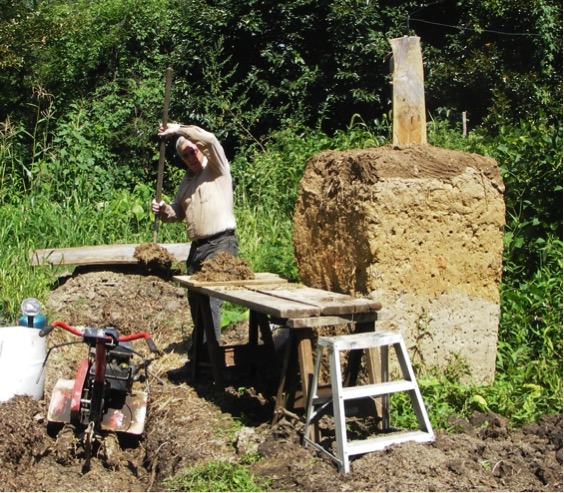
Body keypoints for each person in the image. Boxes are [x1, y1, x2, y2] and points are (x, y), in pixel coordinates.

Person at [151, 123, 238, 355]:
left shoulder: (216, 167)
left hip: (221, 244)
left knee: (210, 300)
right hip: (197, 248)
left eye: (193, 150)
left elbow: (210, 139)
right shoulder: (187, 180)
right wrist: (163, 210)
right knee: (196, 302)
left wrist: (178, 129)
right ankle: (200, 357)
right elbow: (178, 212)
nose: (190, 156)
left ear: (199, 149)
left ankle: (212, 358)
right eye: (185, 154)